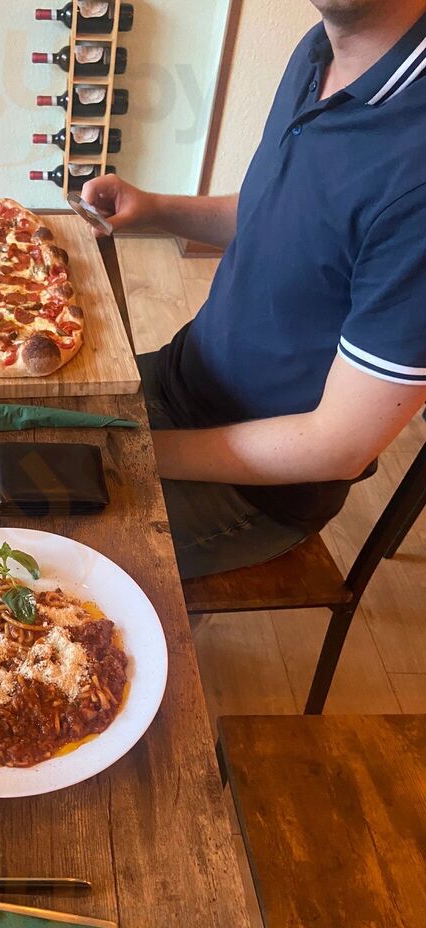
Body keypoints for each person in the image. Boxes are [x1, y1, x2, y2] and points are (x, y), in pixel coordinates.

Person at [83, 0, 426, 580]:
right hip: (183, 374)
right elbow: (286, 216)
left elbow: (340, 446)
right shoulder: (318, 50)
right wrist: (157, 209)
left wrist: (138, 450)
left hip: (259, 489)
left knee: (43, 555)